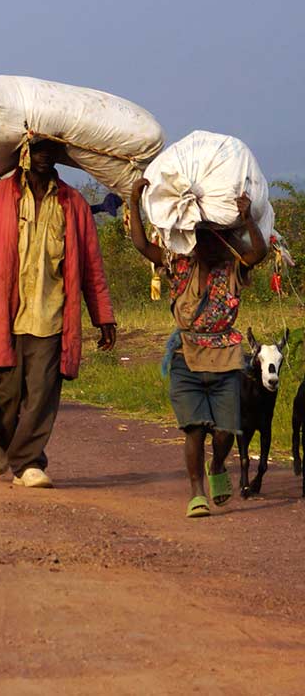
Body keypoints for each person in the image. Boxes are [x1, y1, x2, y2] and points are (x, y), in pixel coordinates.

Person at [0, 139, 116, 489]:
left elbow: (91, 264)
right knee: (7, 396)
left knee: (42, 393)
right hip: (5, 313)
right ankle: (3, 438)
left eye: (50, 152)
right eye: (38, 150)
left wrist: (103, 316)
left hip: (52, 314)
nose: (44, 157)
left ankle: (29, 463)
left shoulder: (72, 203)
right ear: (24, 154)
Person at [128, 178, 266, 517]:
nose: (206, 245)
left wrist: (247, 217)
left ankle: (217, 465)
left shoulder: (233, 267)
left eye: (212, 237)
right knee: (194, 429)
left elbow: (259, 252)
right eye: (199, 238)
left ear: (224, 241)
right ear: (192, 241)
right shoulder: (179, 265)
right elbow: (142, 245)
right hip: (185, 356)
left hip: (226, 357)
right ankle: (196, 493)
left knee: (224, 432)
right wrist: (133, 202)